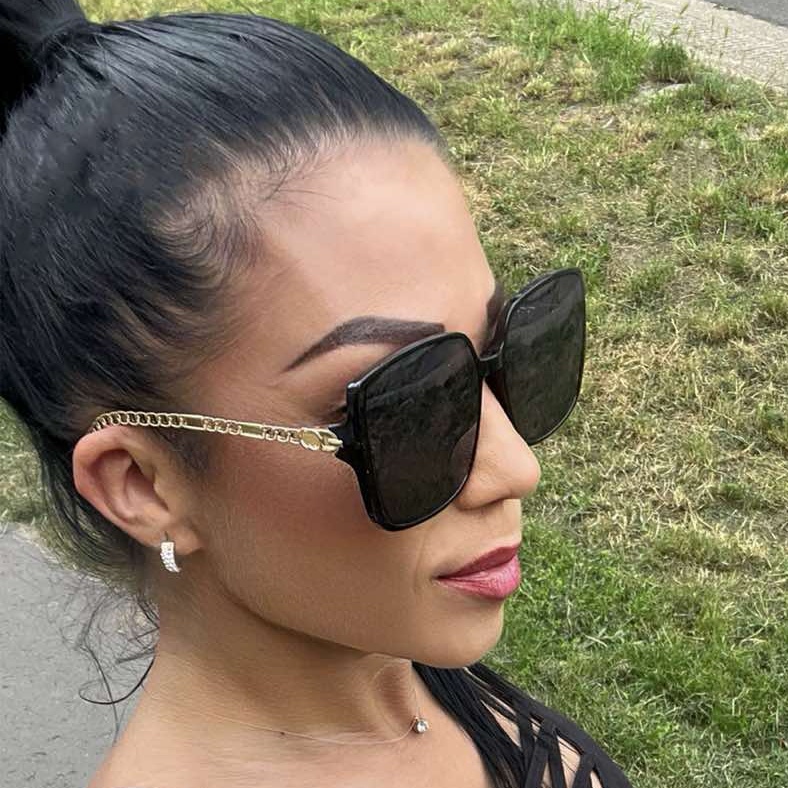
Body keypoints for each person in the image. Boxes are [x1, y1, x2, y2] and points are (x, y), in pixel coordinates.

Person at [0, 2, 633, 787]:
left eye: (516, 350)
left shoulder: (385, 656)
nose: (515, 469)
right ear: (143, 484)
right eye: (404, 405)